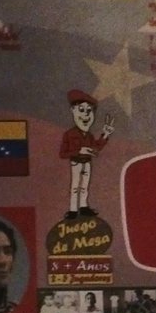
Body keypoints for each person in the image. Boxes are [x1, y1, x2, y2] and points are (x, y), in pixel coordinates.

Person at [59, 88, 114, 219]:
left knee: (84, 187)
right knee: (75, 187)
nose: (86, 115)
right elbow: (62, 153)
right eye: (81, 110)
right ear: (73, 111)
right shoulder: (69, 134)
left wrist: (105, 134)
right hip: (76, 163)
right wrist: (79, 151)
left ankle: (83, 207)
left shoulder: (89, 135)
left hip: (87, 163)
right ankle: (73, 210)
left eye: (89, 111)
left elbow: (96, 147)